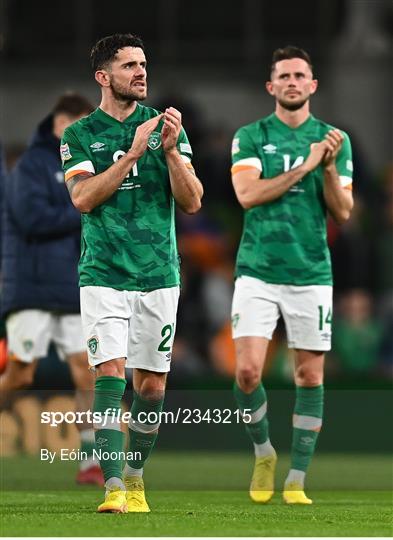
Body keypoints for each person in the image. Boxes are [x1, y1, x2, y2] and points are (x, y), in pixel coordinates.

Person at [61, 33, 203, 514]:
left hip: (159, 274)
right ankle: (114, 485)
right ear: (104, 77)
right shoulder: (79, 135)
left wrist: (167, 152)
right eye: (129, 66)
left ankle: (138, 477)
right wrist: (133, 154)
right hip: (102, 273)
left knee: (151, 388)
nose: (141, 72)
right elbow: (82, 199)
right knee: (109, 376)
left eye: (143, 64)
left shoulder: (167, 129)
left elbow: (192, 202)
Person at [230, 46, 354, 505]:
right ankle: (264, 452)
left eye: (300, 75)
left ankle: (297, 478)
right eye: (283, 76)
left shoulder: (335, 140)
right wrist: (305, 164)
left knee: (308, 377)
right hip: (258, 269)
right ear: (271, 87)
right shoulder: (250, 135)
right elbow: (246, 194)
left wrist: (324, 169)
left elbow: (343, 211)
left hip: (310, 272)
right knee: (246, 372)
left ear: (313, 84)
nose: (292, 82)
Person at [0, 93, 102, 485]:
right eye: (75, 125)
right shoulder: (32, 165)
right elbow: (31, 219)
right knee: (21, 375)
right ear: (60, 123)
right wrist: (83, 206)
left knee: (86, 372)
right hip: (31, 286)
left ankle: (90, 461)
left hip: (73, 285)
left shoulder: (85, 164)